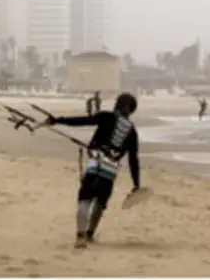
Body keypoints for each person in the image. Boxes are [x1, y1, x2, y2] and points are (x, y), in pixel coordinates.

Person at [39, 92, 141, 249]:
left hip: (95, 164)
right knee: (100, 202)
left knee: (85, 198)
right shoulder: (132, 132)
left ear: (118, 104)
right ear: (132, 110)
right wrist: (136, 184)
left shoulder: (107, 117)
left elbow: (82, 121)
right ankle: (90, 234)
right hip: (111, 170)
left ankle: (80, 236)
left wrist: (57, 120)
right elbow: (133, 160)